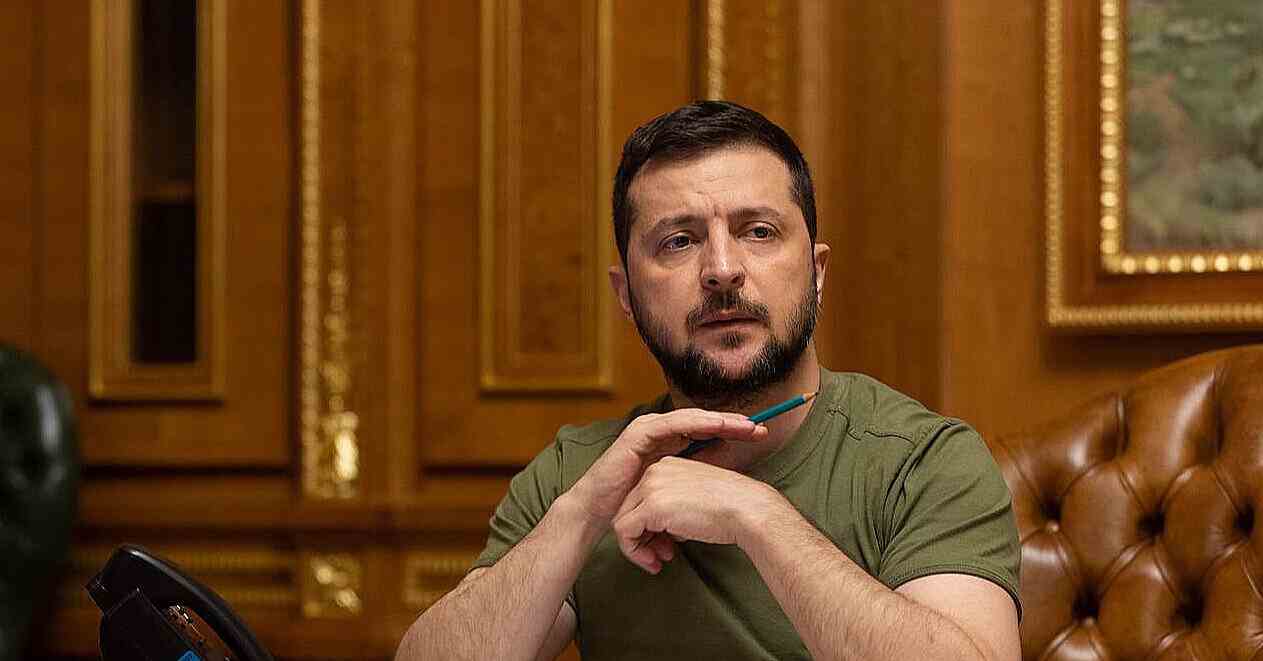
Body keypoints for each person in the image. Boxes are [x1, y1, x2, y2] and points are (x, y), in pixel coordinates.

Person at [396, 101, 1021, 660]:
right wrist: (582, 514)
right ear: (626, 294)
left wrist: (755, 515)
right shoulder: (577, 474)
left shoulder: (924, 462)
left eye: (759, 232)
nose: (722, 270)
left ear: (816, 272)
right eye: (678, 241)